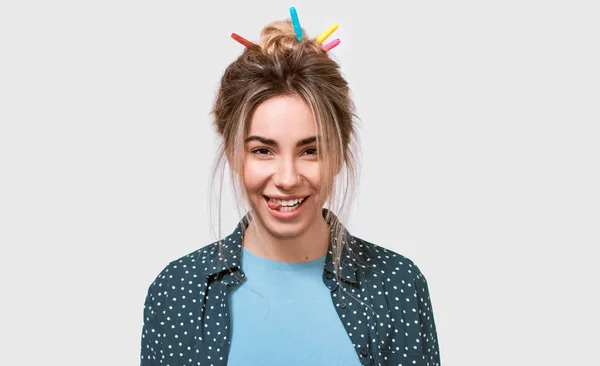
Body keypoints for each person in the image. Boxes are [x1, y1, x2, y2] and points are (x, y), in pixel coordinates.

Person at [140, 9, 440, 366]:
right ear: (234, 153)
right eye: (263, 150)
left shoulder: (398, 285)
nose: (286, 178)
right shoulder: (177, 291)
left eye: (310, 150)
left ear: (340, 153)